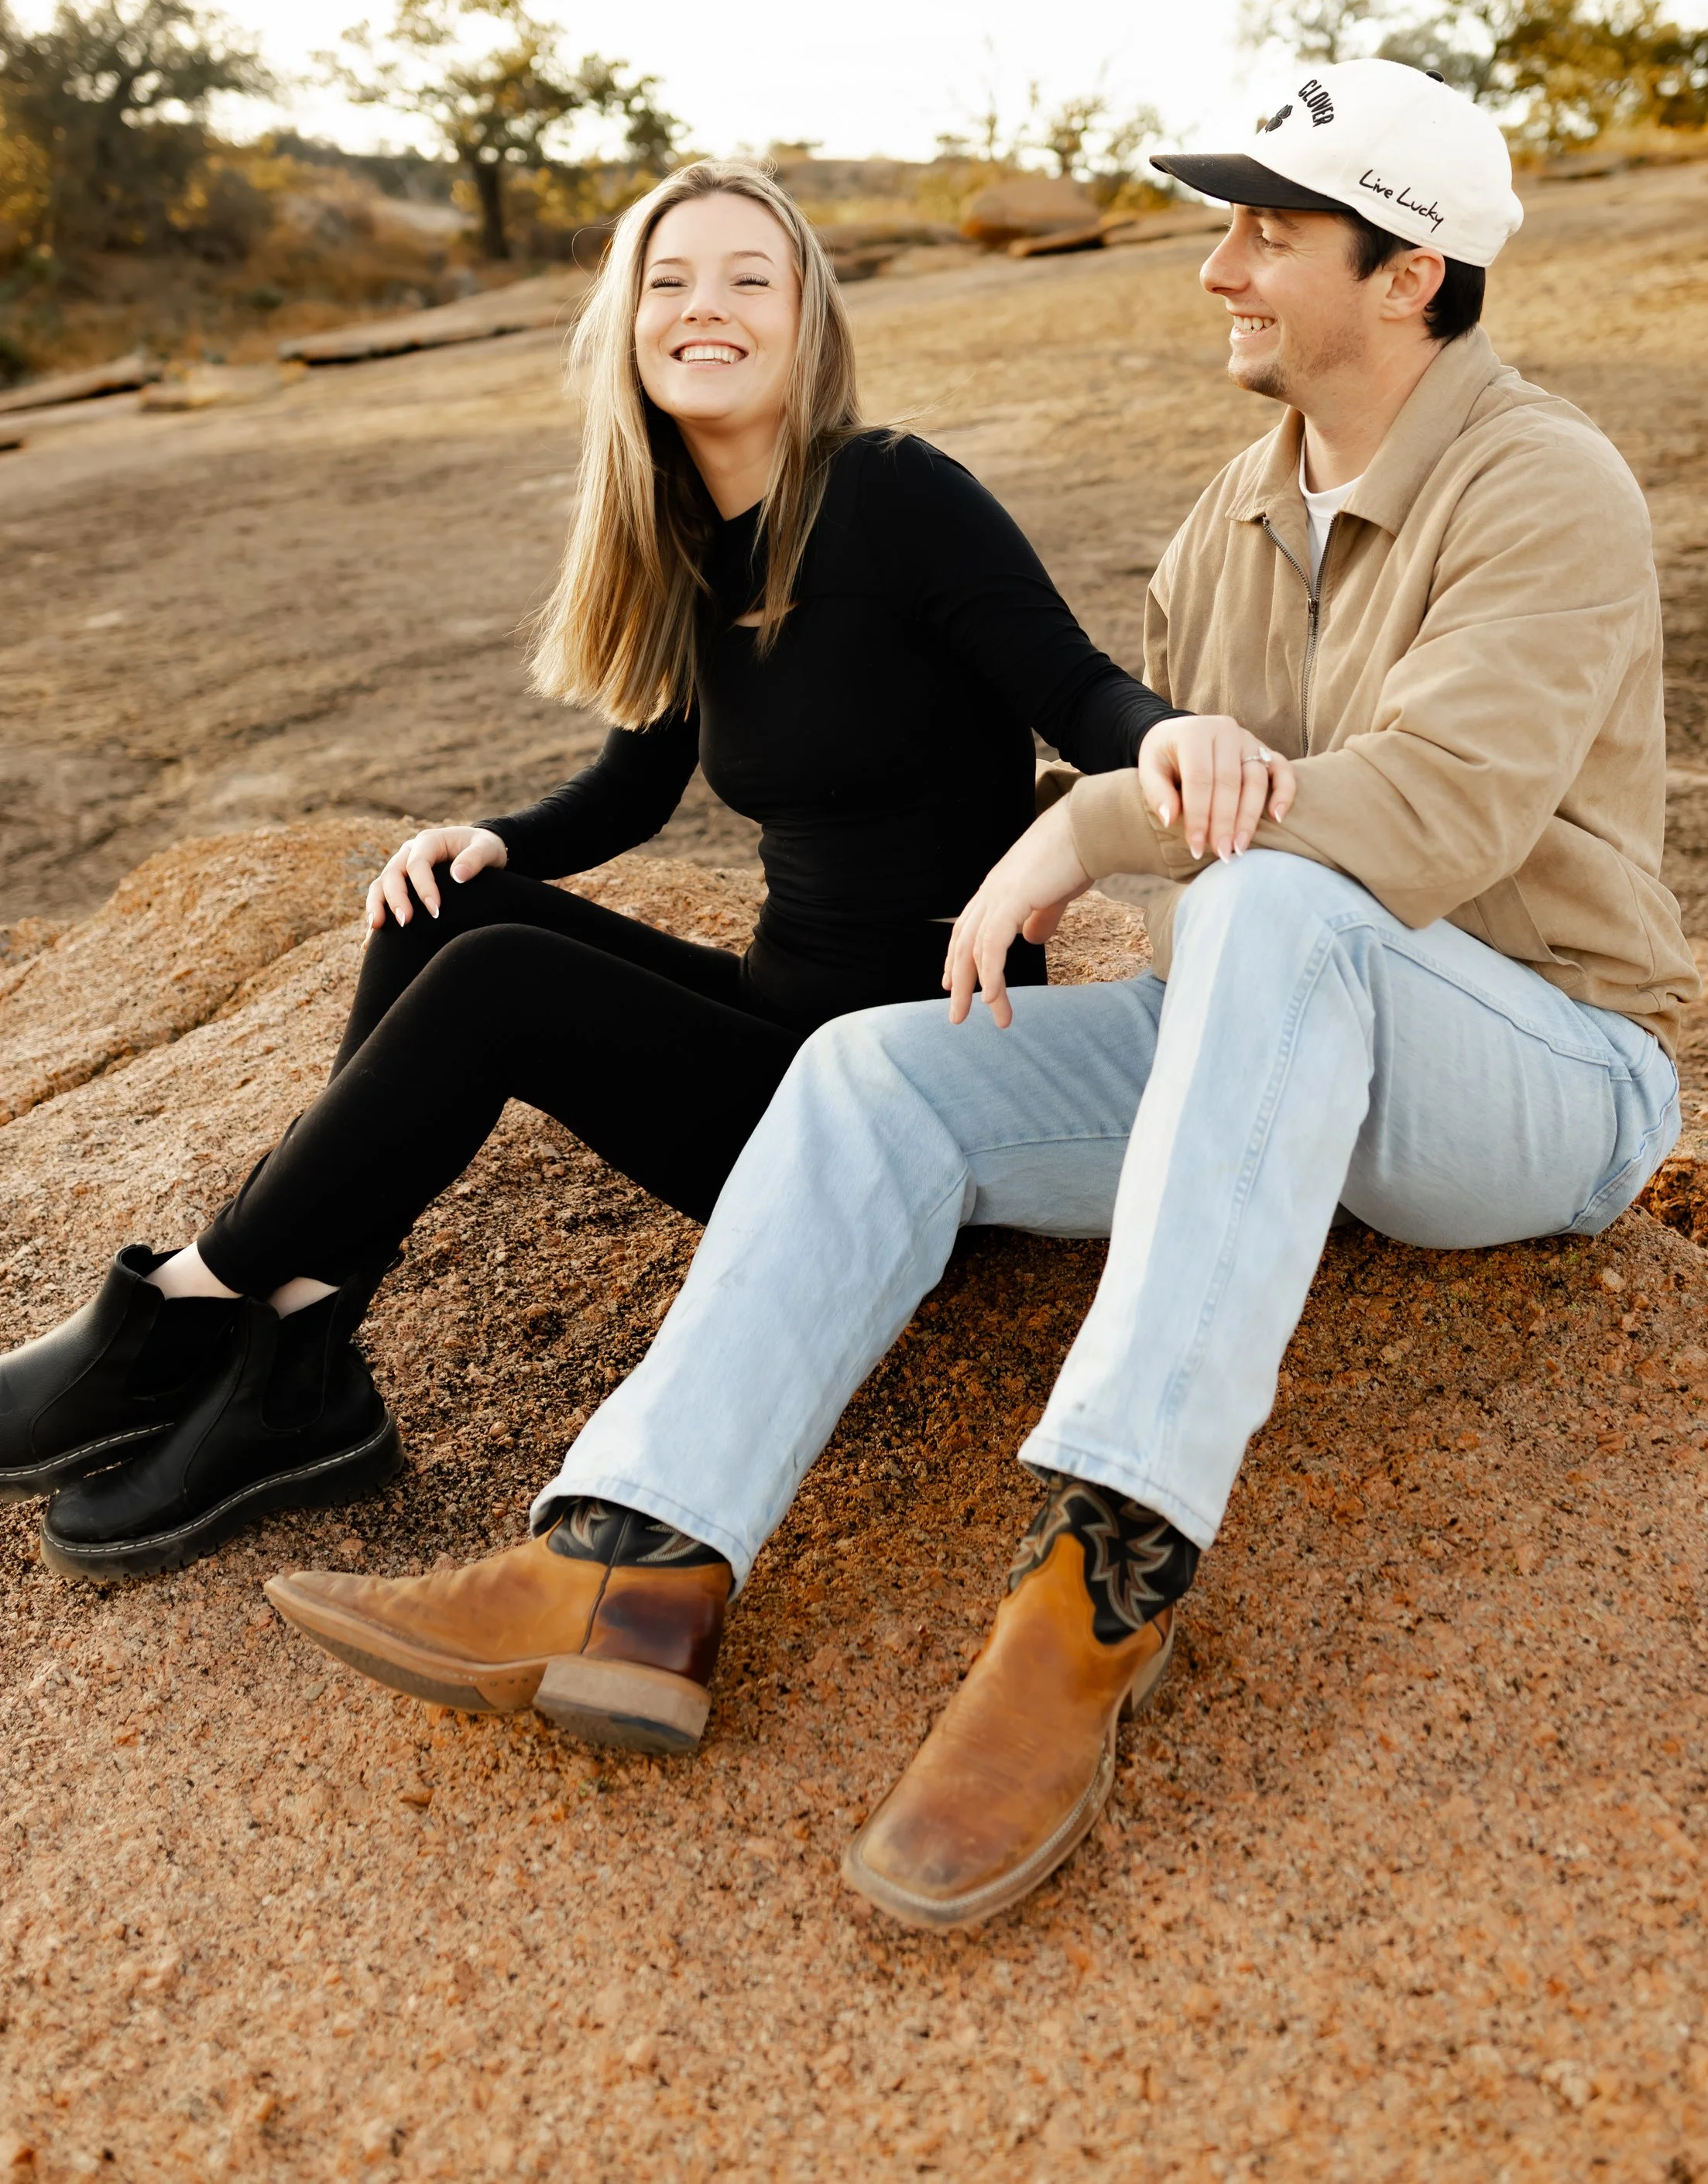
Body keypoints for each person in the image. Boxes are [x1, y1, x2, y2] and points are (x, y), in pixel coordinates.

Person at [264, 61, 1695, 1887]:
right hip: (1260, 1055)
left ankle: (1093, 1593)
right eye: (1222, 229)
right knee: (863, 1068)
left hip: (1536, 1078)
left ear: (1407, 271)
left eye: (1266, 232)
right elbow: (1148, 771)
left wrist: (1086, 834)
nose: (1216, 272)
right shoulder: (1223, 520)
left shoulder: (1542, 484)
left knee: (1268, 899)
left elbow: (1421, 823)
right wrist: (1026, 813)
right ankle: (629, 1568)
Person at [0, 157, 1188, 1593]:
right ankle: (297, 1367)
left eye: (753, 277)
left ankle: (189, 1299)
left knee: (501, 983)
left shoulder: (893, 493)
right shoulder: (689, 536)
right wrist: (497, 838)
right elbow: (637, 783)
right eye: (671, 280)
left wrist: (1174, 742)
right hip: (774, 1021)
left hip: (906, 1094)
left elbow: (1077, 685)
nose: (709, 307)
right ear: (628, 323)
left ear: (809, 321)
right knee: (453, 906)